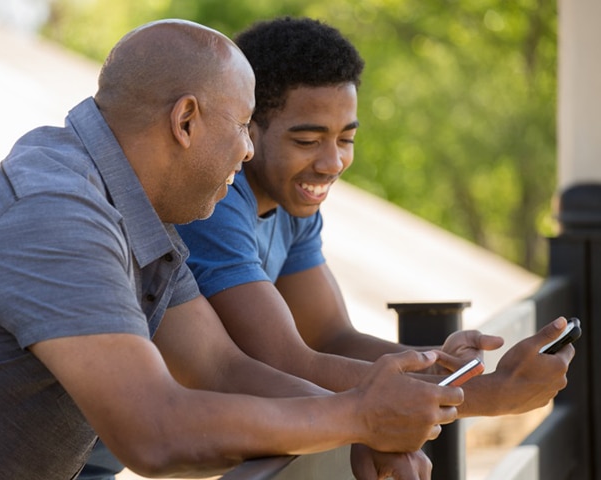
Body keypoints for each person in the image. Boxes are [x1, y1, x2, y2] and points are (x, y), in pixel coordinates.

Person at [0, 19, 464, 480]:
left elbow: (220, 368)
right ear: (186, 121)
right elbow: (153, 432)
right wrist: (356, 416)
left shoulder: (134, 212)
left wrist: (367, 426)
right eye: (242, 126)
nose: (248, 153)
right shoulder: (56, 212)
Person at [176, 15, 574, 425]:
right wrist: (484, 396)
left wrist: (439, 365)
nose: (332, 163)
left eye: (346, 139)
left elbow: (332, 337)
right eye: (307, 141)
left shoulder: (292, 200)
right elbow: (286, 360)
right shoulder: (214, 201)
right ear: (248, 129)